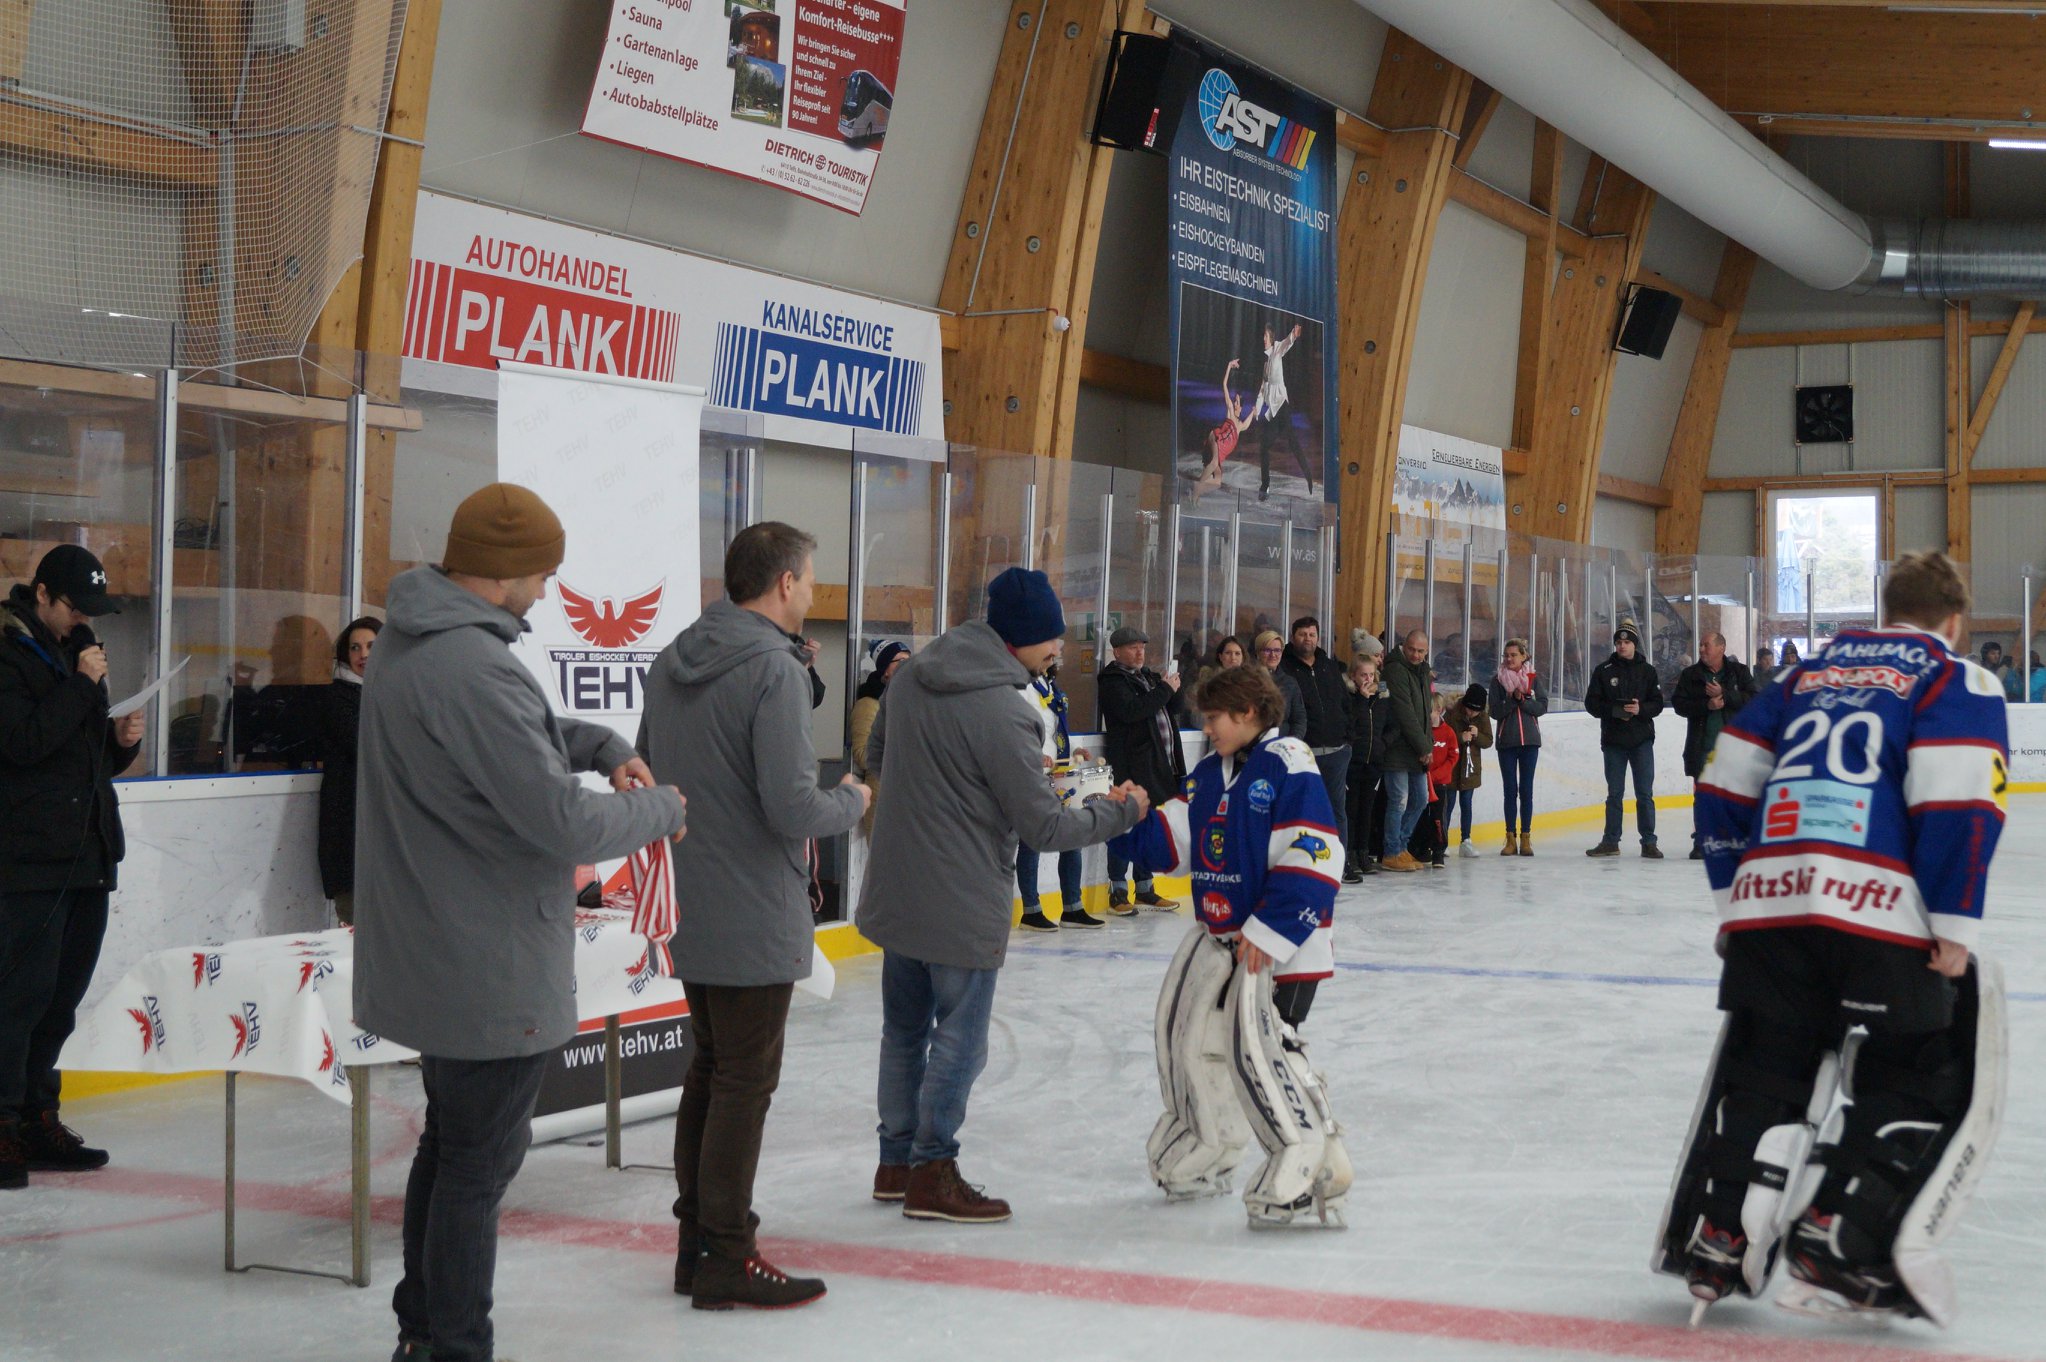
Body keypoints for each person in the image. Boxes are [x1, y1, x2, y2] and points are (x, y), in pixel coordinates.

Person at [353, 484, 686, 1362]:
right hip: (485, 963)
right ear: (501, 574)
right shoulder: (474, 664)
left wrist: (601, 744)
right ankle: (454, 1345)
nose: (547, 588)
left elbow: (505, 739)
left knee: (450, 1150)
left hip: (436, 952)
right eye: (542, 573)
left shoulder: (413, 642)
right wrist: (662, 809)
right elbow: (564, 823)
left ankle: (424, 1329)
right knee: (474, 1169)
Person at [1662, 552, 2009, 1322]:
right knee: (1919, 1066)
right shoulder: (1953, 678)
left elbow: (1722, 782)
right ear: (1954, 623)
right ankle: (1836, 1232)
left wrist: (1736, 902)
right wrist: (1952, 926)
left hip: (1772, 911)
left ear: (1887, 611)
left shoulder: (1803, 675)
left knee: (1770, 1066)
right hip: (1879, 915)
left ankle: (1722, 1235)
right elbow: (1959, 802)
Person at [857, 568, 1147, 1224]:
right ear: (1019, 638)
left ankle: (894, 1163)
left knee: (903, 1032)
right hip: (960, 898)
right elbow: (1046, 829)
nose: (1059, 651)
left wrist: (980, 780)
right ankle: (932, 1170)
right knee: (960, 1039)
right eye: (1052, 639)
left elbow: (879, 756)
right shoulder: (1006, 711)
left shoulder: (912, 679)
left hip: (899, 886)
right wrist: (1122, 810)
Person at [636, 520, 869, 1311]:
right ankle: (726, 1254)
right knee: (741, 1082)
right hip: (753, 908)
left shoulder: (674, 658)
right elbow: (793, 807)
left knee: (712, 1069)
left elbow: (648, 767)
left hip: (692, 902)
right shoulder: (772, 669)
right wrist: (854, 799)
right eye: (811, 580)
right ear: (784, 584)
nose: (812, 593)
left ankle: (697, 1247)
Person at [1111, 663, 1350, 1226]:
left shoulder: (1288, 760)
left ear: (1248, 712)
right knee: (1197, 1048)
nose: (1207, 727)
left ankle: (1313, 1163)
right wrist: (1127, 813)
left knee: (1266, 1055)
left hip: (1281, 949)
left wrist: (1269, 932)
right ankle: (1207, 1148)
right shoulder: (1209, 773)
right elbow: (1174, 845)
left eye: (1215, 717)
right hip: (1224, 945)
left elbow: (1318, 851)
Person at [0, 545, 143, 1189]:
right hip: (29, 860)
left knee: (61, 1002)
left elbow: (82, 759)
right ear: (41, 595)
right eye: (75, 607)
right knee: (18, 1001)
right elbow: (22, 745)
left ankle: (38, 1118)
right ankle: (3, 1124)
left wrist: (120, 744)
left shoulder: (77, 652)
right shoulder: (9, 654)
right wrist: (82, 686)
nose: (85, 619)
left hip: (87, 854)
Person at [1097, 626, 1185, 915]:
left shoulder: (1148, 677)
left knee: (1148, 825)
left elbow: (1173, 708)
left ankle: (1145, 888)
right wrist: (1164, 689)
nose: (1140, 652)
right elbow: (1133, 711)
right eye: (1133, 647)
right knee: (1125, 823)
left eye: (1143, 647)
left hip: (1158, 764)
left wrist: (1175, 687)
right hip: (1131, 765)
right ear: (1117, 651)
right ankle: (1118, 891)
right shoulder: (1112, 680)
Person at [1017, 662, 1095, 932]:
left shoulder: (1050, 687)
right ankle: (1031, 910)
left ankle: (1073, 907)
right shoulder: (1020, 687)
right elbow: (1014, 730)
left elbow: (1055, 731)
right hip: (1033, 773)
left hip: (1061, 773)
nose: (1053, 657)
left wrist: (1075, 750)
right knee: (1032, 842)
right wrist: (1032, 753)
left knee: (1071, 837)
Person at [315, 616, 381, 926]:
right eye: (355, 648)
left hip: (387, 844)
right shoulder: (338, 698)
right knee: (355, 934)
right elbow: (370, 749)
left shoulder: (395, 693)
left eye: (371, 646)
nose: (363, 654)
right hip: (352, 835)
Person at [1671, 632, 1757, 860]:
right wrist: (1706, 705)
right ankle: (1702, 841)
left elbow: (1755, 699)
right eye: (1700, 645)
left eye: (1706, 645)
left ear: (1721, 648)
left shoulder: (1739, 672)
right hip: (1702, 747)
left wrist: (1725, 695)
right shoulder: (1691, 675)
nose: (1701, 649)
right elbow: (1679, 704)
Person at [1585, 619, 1665, 859]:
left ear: (1634, 644)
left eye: (1627, 642)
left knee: (1645, 793)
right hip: (1614, 741)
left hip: (1641, 740)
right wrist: (1613, 710)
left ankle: (1649, 842)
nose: (1622, 646)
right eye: (1618, 642)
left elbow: (1658, 704)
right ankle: (1611, 841)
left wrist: (1641, 709)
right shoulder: (1603, 670)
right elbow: (1591, 703)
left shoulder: (1647, 671)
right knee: (1614, 794)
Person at [1279, 616, 1354, 867]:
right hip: (1304, 752)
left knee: (1336, 810)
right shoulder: (1285, 668)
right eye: (1302, 634)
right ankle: (1303, 863)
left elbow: (1345, 702)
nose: (1307, 639)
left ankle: (1338, 863)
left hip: (1336, 751)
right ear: (1293, 637)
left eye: (1312, 634)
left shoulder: (1329, 666)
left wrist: (1348, 738)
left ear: (1318, 637)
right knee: (1303, 810)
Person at [1378, 629, 1433, 872]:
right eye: (1411, 649)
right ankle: (1391, 851)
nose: (1415, 654)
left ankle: (1401, 846)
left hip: (1416, 749)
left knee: (1420, 799)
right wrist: (1424, 746)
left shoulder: (1422, 671)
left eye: (1421, 651)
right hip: (1397, 749)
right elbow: (1405, 712)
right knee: (1399, 800)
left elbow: (1425, 712)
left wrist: (1427, 745)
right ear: (1404, 646)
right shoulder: (1395, 670)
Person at [1488, 637, 1545, 857]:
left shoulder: (1533, 678)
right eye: (1506, 655)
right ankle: (1510, 837)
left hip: (1530, 743)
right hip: (1507, 743)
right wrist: (1512, 700)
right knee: (1510, 790)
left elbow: (1541, 707)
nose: (1509, 659)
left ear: (1524, 656)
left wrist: (1523, 701)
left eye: (1514, 655)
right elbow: (1494, 711)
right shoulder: (1497, 681)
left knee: (1526, 790)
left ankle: (1526, 837)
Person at [1250, 323, 1316, 499]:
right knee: (1264, 447)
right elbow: (1262, 390)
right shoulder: (1265, 365)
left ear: (1271, 338)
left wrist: (1293, 335)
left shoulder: (1278, 348)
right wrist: (1257, 409)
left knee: (1293, 442)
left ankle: (1308, 476)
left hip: (1282, 407)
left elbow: (1287, 343)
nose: (1263, 339)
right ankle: (1265, 486)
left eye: (1266, 336)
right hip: (1273, 412)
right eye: (1263, 336)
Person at [850, 639, 909, 836]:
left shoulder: (907, 700)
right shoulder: (869, 704)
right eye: (901, 661)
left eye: (910, 660)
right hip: (883, 794)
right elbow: (862, 754)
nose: (907, 666)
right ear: (885, 670)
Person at [1342, 655, 1386, 881]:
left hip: (1374, 762)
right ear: (1353, 676)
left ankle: (1363, 852)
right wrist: (1361, 699)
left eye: (1371, 675)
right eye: (1363, 675)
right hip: (1353, 762)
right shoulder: (1349, 698)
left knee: (1367, 811)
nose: (1368, 679)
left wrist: (1383, 745)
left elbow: (1391, 725)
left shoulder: (1382, 698)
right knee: (1351, 810)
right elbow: (1350, 724)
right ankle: (1349, 853)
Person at [1192, 358, 1256, 495]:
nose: (1234, 402)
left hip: (1220, 452)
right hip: (1215, 438)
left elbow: (1248, 421)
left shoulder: (1240, 426)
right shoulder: (1230, 412)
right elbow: (1224, 385)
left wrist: (1253, 411)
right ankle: (1196, 492)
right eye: (1235, 400)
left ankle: (1197, 490)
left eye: (1237, 402)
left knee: (1217, 482)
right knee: (1214, 463)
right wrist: (1228, 366)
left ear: (1241, 407)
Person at [1445, 682, 1493, 858]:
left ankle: (1466, 840)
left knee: (1466, 804)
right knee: (1448, 804)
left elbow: (1488, 741)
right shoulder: (1452, 713)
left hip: (1470, 769)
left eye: (1476, 711)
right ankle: (1442, 841)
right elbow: (1444, 737)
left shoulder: (1483, 718)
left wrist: (1477, 736)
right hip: (1452, 767)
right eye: (1470, 709)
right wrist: (1460, 737)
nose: (1472, 713)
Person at [1418, 692, 1458, 869]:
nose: (1427, 715)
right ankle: (1421, 849)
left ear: (1439, 710)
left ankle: (1438, 851)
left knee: (1438, 819)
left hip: (1439, 785)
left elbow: (1453, 758)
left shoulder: (1448, 732)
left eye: (1431, 711)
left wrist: (1435, 775)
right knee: (1421, 817)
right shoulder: (1422, 731)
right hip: (1421, 782)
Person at [1252, 630, 1308, 739]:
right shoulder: (1247, 680)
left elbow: (1299, 718)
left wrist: (1292, 742)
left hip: (1283, 744)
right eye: (1267, 650)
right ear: (1258, 653)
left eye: (1277, 650)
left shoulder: (1290, 682)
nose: (1273, 655)